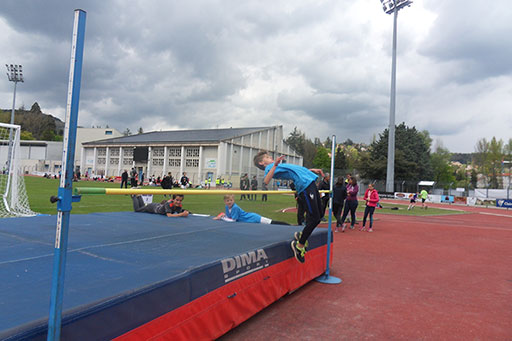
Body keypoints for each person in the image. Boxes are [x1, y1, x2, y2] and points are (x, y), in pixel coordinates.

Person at [254, 151, 324, 263]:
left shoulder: (279, 165)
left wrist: (310, 170)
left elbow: (295, 170)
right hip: (305, 186)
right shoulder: (270, 168)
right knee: (314, 218)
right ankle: (299, 246)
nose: (270, 157)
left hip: (309, 181)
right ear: (262, 163)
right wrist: (275, 164)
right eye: (267, 157)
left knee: (319, 215)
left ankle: (302, 234)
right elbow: (266, 181)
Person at [213, 194, 289, 225]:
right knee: (270, 222)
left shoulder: (235, 207)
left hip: (252, 217)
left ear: (234, 200)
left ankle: (289, 225)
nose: (229, 202)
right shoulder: (227, 207)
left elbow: (233, 220)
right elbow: (229, 216)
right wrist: (224, 215)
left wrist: (222, 217)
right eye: (227, 201)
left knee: (271, 222)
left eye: (231, 200)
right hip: (248, 219)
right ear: (225, 202)